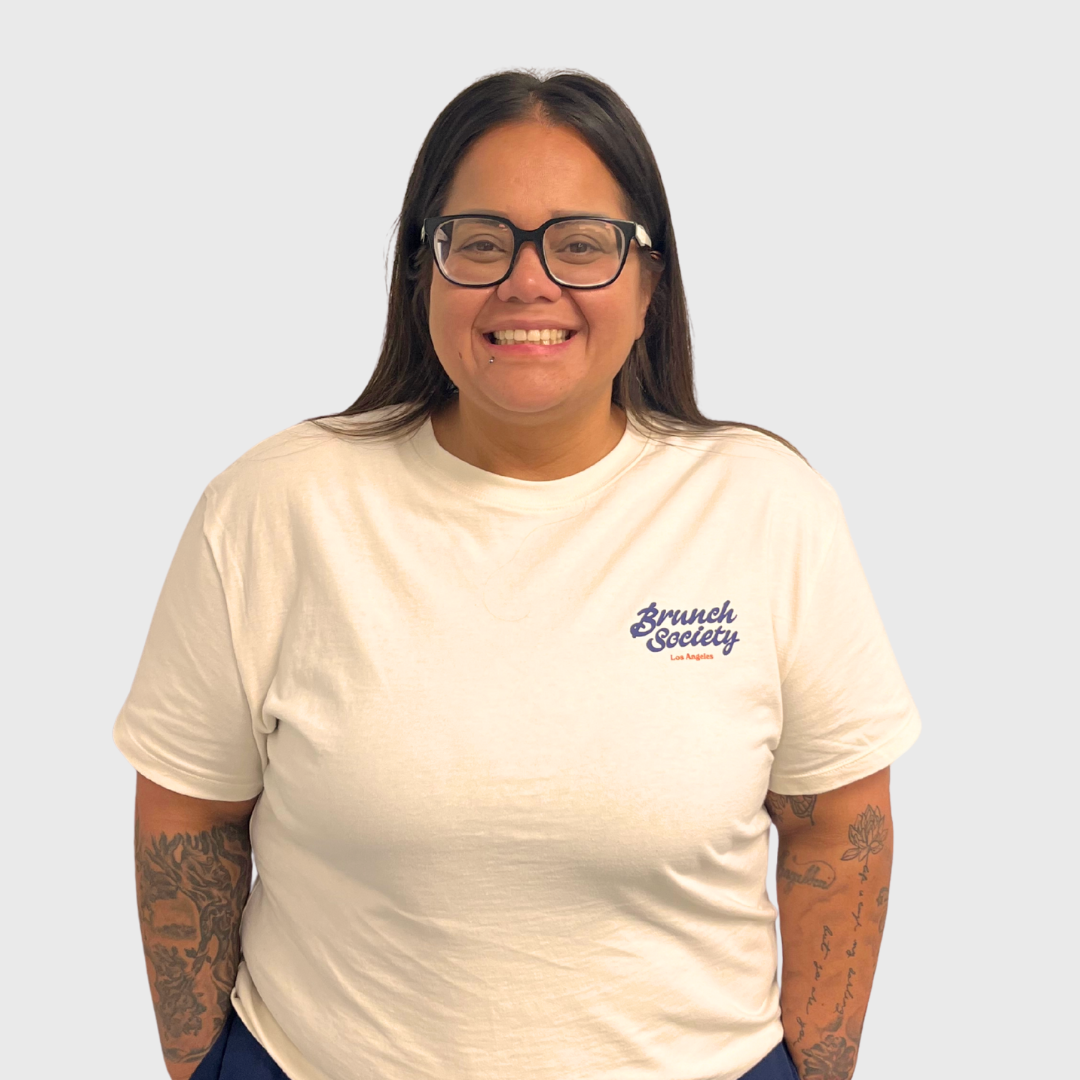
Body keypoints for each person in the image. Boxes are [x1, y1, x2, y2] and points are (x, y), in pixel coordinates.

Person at [114, 69, 921, 1080]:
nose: (528, 282)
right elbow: (190, 811)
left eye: (581, 244)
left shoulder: (767, 507)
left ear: (650, 283)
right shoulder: (273, 507)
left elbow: (838, 825)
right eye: (481, 242)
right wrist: (201, 1070)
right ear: (423, 273)